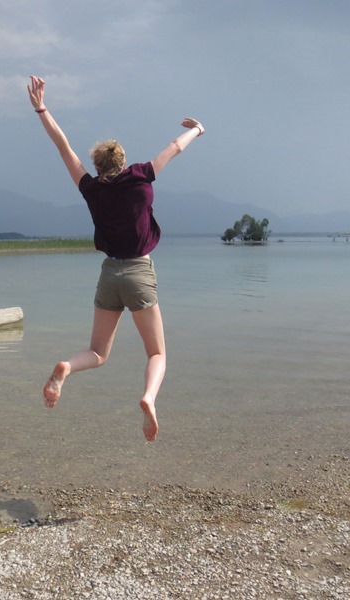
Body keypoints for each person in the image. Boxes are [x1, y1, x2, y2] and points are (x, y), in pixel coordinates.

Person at [27, 75, 205, 442]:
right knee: (156, 353)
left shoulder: (90, 189)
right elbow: (175, 146)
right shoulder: (142, 177)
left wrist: (42, 108)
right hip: (139, 271)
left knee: (97, 352)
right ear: (123, 162)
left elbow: (62, 146)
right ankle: (149, 397)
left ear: (97, 166)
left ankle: (66, 367)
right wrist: (197, 130)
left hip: (109, 274)